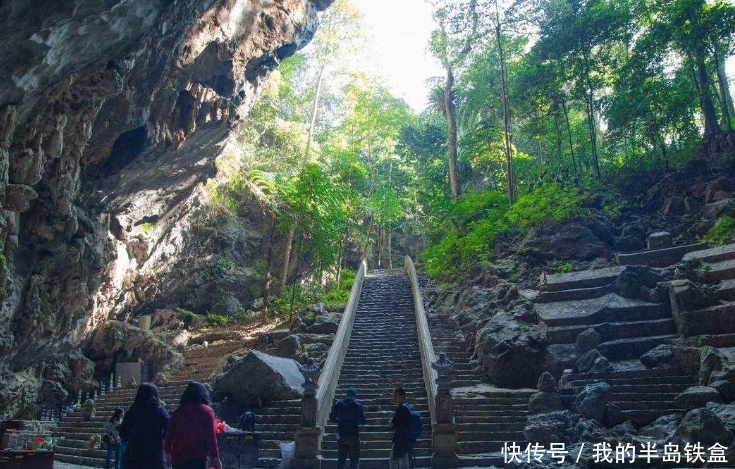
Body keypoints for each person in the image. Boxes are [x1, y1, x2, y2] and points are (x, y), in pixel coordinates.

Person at [164, 381, 222, 469]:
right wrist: (215, 457)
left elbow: (169, 436)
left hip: (178, 459)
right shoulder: (207, 411)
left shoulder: (177, 412)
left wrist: (167, 454)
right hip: (198, 458)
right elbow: (210, 436)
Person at [120, 383, 169, 469]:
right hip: (154, 457)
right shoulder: (159, 410)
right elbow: (170, 427)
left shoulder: (132, 410)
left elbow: (123, 432)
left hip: (133, 456)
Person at [329, 387, 367, 469]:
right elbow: (363, 421)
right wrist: (356, 422)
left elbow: (332, 418)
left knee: (341, 460)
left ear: (346, 394)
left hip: (341, 435)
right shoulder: (358, 406)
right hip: (354, 435)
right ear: (354, 395)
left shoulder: (338, 404)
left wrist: (339, 421)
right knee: (354, 460)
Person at [389, 388, 412, 469]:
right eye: (393, 396)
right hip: (406, 438)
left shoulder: (401, 408)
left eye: (396, 396)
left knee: (393, 461)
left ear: (402, 396)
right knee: (404, 462)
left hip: (400, 438)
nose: (394, 398)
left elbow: (393, 424)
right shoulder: (407, 407)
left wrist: (391, 423)